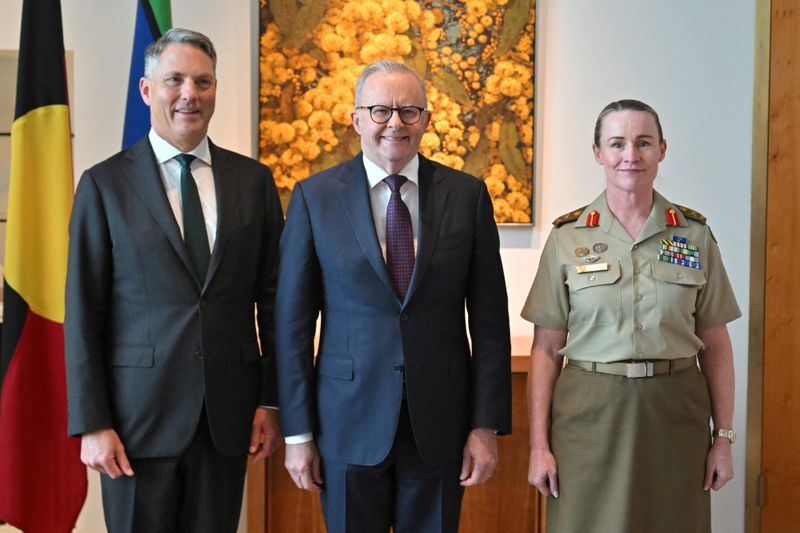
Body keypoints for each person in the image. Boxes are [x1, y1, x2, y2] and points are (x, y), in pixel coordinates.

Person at [275, 60, 512, 533]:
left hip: (440, 423)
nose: (395, 123)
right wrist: (297, 433)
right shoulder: (314, 198)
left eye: (409, 111)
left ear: (426, 119)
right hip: (346, 422)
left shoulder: (467, 196)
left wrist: (485, 425)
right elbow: (293, 327)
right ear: (356, 119)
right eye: (380, 110)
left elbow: (490, 323)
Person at [64, 28, 283, 532]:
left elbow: (275, 303)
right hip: (135, 424)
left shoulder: (254, 182)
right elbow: (83, 312)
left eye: (203, 82)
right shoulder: (104, 185)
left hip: (227, 419)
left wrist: (271, 400)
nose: (190, 94)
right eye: (175, 80)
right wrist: (92, 422)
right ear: (146, 90)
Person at [523, 99, 741, 533]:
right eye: (617, 143)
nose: (630, 155)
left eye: (643, 143)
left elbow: (716, 343)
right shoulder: (567, 238)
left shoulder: (693, 235)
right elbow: (545, 349)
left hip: (675, 412)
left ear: (662, 150)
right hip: (588, 416)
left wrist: (723, 438)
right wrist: (538, 445)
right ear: (597, 152)